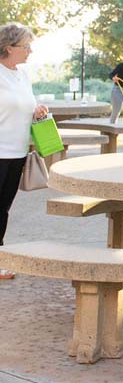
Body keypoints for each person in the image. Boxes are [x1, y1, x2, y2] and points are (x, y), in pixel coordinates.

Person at [0, 24, 48, 280]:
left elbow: (23, 106)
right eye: (26, 46)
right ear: (9, 47)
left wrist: (36, 111)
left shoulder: (22, 75)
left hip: (17, 152)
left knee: (3, 209)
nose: (30, 51)